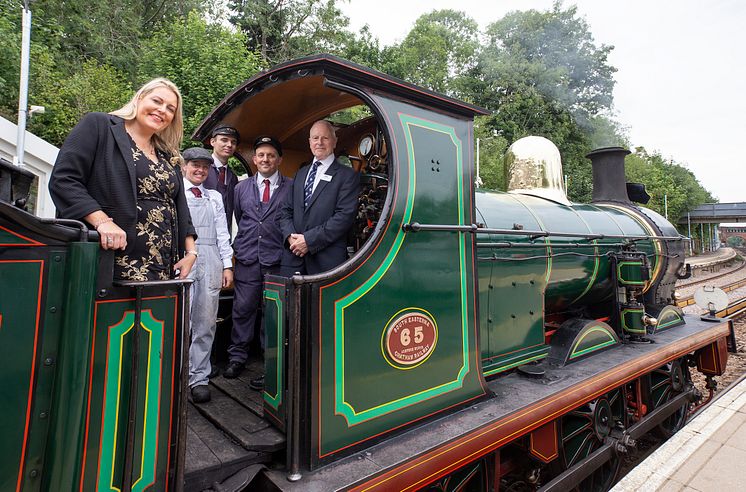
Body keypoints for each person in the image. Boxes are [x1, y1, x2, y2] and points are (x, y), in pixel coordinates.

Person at [50, 78, 197, 281]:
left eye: (170, 108)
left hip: (162, 266)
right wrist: (102, 221)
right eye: (157, 101)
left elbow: (179, 205)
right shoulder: (99, 126)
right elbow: (64, 179)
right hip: (113, 262)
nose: (162, 110)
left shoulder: (166, 153)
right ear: (139, 98)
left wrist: (191, 252)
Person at [224, 136, 293, 388]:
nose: (265, 159)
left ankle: (271, 362)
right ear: (254, 159)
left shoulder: (291, 187)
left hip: (277, 261)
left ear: (279, 160)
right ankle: (237, 357)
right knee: (242, 310)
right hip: (248, 259)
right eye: (261, 155)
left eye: (271, 155)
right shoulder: (240, 189)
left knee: (272, 314)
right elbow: (240, 219)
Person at [181, 147, 234, 403]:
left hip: (211, 257)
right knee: (180, 322)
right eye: (195, 165)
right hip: (183, 258)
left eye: (204, 166)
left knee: (206, 322)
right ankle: (174, 376)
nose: (200, 170)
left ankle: (198, 378)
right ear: (184, 167)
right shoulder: (175, 193)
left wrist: (227, 265)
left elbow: (223, 232)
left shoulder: (214, 197)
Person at [278, 120, 360, 276]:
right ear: (310, 142)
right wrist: (290, 237)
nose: (319, 143)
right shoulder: (300, 174)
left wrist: (309, 241)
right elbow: (285, 211)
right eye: (315, 138)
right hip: (293, 258)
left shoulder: (347, 176)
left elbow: (344, 217)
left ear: (334, 142)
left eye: (325, 138)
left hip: (327, 262)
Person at [205, 125, 240, 234]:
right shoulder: (201, 170)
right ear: (212, 142)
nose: (229, 145)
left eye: (233, 142)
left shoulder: (233, 177)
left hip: (224, 237)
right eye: (224, 140)